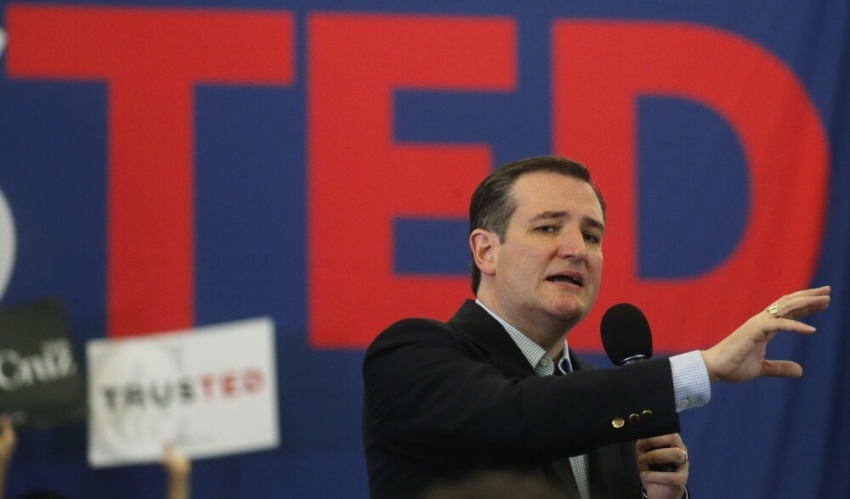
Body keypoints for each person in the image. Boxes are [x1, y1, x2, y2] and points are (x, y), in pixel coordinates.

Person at [361, 155, 831, 499]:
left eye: (591, 235)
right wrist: (703, 367)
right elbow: (514, 417)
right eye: (548, 228)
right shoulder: (410, 356)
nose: (576, 250)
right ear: (486, 251)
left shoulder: (608, 401)